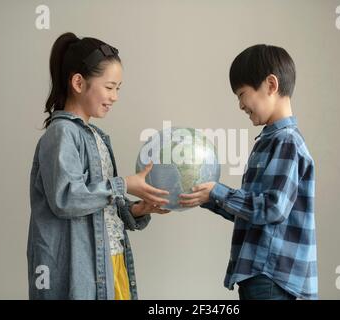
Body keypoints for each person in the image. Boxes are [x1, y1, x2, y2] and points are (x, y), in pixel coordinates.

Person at [27, 32, 170, 300]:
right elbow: (67, 198)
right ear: (79, 82)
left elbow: (98, 205)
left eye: (118, 88)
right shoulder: (62, 134)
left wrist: (136, 209)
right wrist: (124, 184)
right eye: (109, 87)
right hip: (82, 271)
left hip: (110, 260)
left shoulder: (96, 136)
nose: (115, 96)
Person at [179, 44, 317, 300]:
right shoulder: (270, 140)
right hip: (265, 277)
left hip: (273, 278)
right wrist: (208, 196)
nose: (240, 105)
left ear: (271, 85)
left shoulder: (285, 141)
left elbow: (273, 209)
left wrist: (218, 192)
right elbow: (256, 213)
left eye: (242, 93)